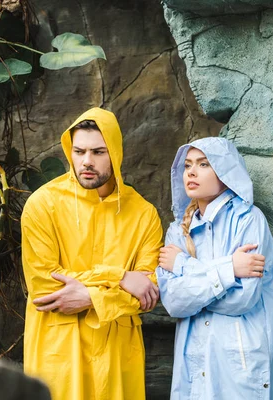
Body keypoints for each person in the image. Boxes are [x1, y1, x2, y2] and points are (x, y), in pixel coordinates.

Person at [20, 107, 163, 400]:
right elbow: (46, 283)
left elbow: (150, 289)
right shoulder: (41, 205)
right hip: (59, 352)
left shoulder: (144, 214)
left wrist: (89, 296)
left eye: (98, 152)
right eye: (79, 151)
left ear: (115, 153)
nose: (87, 161)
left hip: (118, 356)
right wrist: (120, 277)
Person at [156, 137, 273, 399]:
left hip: (240, 365)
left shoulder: (249, 220)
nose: (192, 172)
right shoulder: (177, 231)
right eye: (187, 166)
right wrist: (230, 268)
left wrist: (184, 267)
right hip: (195, 362)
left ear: (226, 172)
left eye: (204, 164)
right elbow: (174, 302)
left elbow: (243, 298)